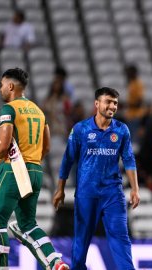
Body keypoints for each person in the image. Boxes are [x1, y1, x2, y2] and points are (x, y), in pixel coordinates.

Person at [0, 68, 69, 270]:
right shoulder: (39, 111)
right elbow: (47, 147)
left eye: (2, 85)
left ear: (10, 86)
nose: (0, 89)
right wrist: (31, 162)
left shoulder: (9, 109)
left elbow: (3, 144)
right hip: (35, 171)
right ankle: (55, 262)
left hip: (12, 171)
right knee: (27, 224)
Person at [52, 87, 141, 270]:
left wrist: (135, 189)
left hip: (113, 193)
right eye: (108, 102)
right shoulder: (81, 129)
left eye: (115, 103)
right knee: (80, 244)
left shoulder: (121, 130)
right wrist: (60, 188)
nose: (112, 106)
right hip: (86, 193)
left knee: (121, 240)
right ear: (97, 104)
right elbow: (68, 159)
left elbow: (129, 160)